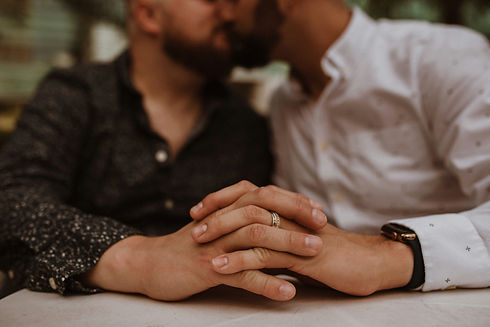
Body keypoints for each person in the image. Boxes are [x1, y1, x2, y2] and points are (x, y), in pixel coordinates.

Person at [0, 0, 329, 301]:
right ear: (148, 14)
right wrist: (138, 258)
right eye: (210, 0)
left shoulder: (248, 126)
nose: (229, 13)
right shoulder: (75, 95)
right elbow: (12, 202)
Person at [189, 0, 490, 295]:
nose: (220, 12)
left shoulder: (443, 59)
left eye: (229, 0)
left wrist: (384, 257)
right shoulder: (285, 103)